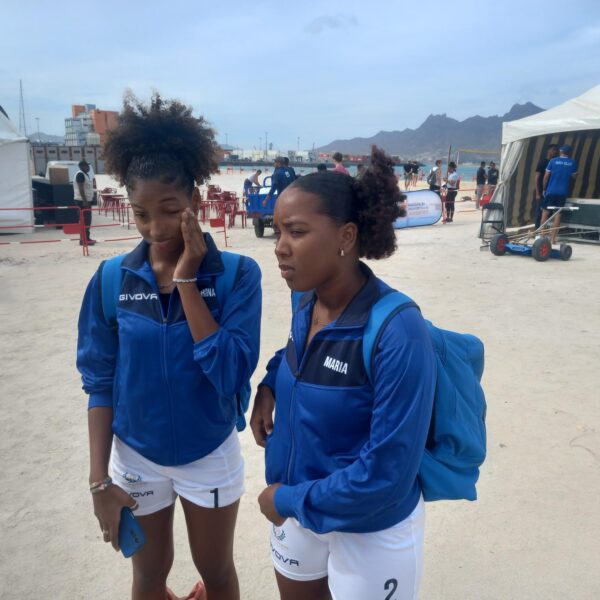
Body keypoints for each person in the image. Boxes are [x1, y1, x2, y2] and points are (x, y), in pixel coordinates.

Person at [77, 93, 262, 600]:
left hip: (209, 452)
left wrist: (186, 282)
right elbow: (99, 383)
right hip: (136, 456)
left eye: (170, 210)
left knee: (216, 571)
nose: (155, 229)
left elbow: (230, 373)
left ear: (195, 201)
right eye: (141, 214)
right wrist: (99, 482)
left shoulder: (237, 276)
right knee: (148, 575)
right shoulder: (111, 280)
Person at [251, 146, 436, 600]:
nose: (279, 247)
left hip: (369, 526)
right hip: (297, 508)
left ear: (346, 236)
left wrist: (285, 499)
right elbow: (297, 351)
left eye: (296, 231)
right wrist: (270, 384)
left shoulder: (398, 331)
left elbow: (387, 474)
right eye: (278, 231)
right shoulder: (306, 298)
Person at [542, 144, 578, 244]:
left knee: (545, 213)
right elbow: (574, 177)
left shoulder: (553, 161)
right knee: (558, 215)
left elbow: (546, 176)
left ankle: (542, 237)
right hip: (563, 192)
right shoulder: (573, 163)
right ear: (569, 153)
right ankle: (553, 239)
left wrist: (544, 189)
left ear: (560, 152)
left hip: (551, 191)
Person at [534, 144, 559, 229]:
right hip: (542, 191)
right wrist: (538, 193)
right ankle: (537, 230)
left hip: (551, 191)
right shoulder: (543, 162)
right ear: (548, 151)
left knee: (549, 211)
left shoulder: (555, 163)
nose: (555, 152)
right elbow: (537, 177)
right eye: (553, 150)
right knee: (540, 212)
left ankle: (544, 230)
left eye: (556, 150)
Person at [73, 159, 96, 245]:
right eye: (86, 166)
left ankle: (86, 238)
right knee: (84, 220)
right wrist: (85, 201)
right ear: (82, 166)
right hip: (82, 201)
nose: (88, 167)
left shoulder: (85, 175)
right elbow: (81, 189)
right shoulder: (80, 175)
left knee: (87, 221)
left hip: (86, 201)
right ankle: (84, 240)